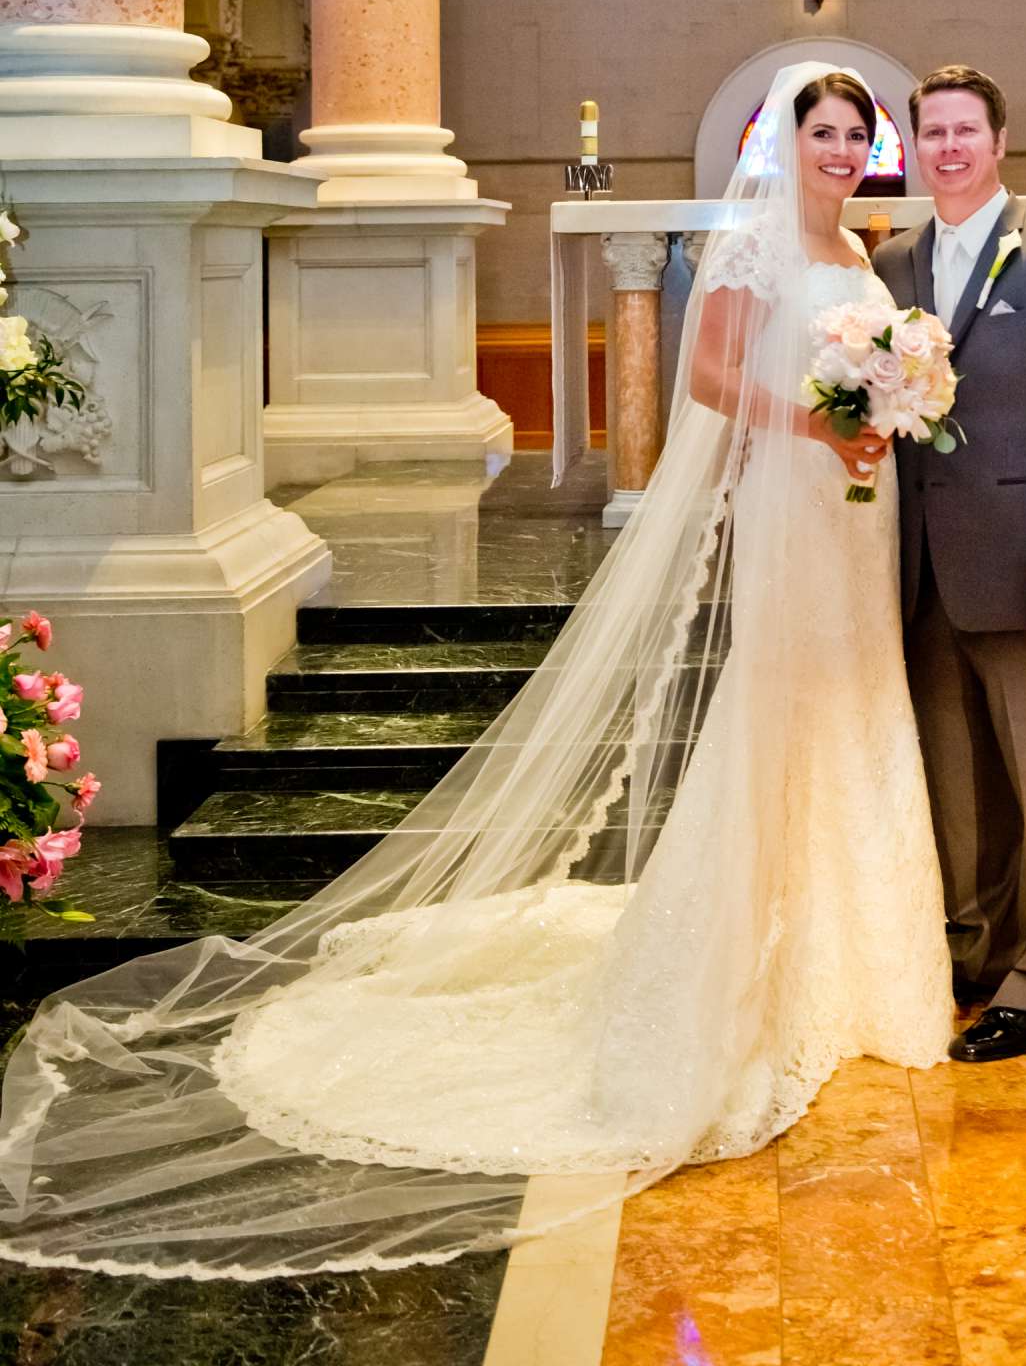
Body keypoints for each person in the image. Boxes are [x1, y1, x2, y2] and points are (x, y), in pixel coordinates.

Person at [0, 62, 952, 1280]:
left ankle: (858, 959)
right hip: (791, 504)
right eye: (820, 131)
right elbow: (710, 378)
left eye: (851, 136)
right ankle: (750, 961)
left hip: (853, 511)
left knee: (858, 703)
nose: (834, 151)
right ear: (788, 142)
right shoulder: (750, 249)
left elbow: (877, 375)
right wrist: (812, 420)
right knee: (779, 713)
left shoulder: (866, 262)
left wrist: (879, 407)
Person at [875, 65, 1026, 1064]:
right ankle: (975, 953)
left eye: (965, 129)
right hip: (921, 569)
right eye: (931, 131)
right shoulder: (888, 266)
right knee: (956, 778)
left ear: (999, 140)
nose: (948, 148)